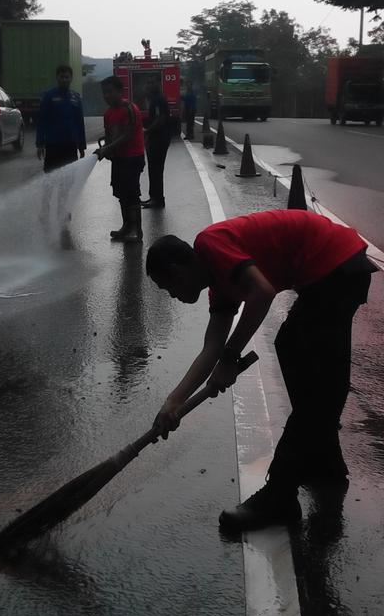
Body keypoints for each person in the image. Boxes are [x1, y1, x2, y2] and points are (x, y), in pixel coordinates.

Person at [146, 209, 377, 532]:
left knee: (310, 369)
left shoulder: (210, 244)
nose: (171, 296)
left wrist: (230, 359)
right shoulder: (220, 284)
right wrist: (173, 402)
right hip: (333, 272)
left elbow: (263, 292)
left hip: (336, 267)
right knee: (312, 370)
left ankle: (280, 496)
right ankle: (326, 464)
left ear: (177, 272)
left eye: (166, 288)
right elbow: (211, 348)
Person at [95, 76, 145, 243]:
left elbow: (128, 135)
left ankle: (136, 230)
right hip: (119, 159)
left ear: (120, 91)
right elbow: (110, 136)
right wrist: (106, 149)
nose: (107, 96)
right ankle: (126, 227)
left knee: (131, 194)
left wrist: (108, 148)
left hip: (132, 158)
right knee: (121, 194)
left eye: (110, 92)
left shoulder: (130, 109)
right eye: (104, 93)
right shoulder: (108, 114)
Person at [36, 65, 86, 173]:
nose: (64, 80)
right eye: (61, 77)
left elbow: (80, 123)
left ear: (71, 78)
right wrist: (39, 144)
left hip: (71, 145)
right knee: (50, 176)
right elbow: (42, 121)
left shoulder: (76, 98)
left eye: (67, 77)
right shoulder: (49, 96)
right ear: (57, 78)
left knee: (70, 178)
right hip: (53, 145)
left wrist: (82, 146)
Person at [142, 76, 171, 209]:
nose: (149, 85)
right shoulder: (154, 98)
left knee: (156, 169)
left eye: (152, 82)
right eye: (147, 82)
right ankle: (154, 197)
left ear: (158, 84)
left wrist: (147, 132)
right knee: (153, 169)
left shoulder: (159, 99)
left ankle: (158, 199)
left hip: (159, 138)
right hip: (155, 138)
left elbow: (161, 119)